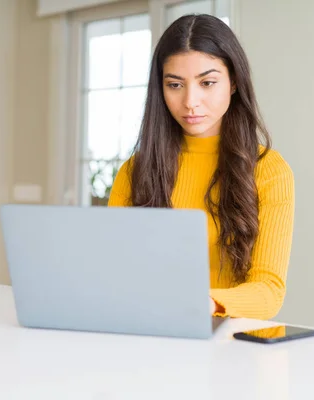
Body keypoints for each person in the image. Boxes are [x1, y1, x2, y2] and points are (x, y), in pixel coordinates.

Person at [107, 14, 295, 320]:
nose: (190, 101)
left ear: (234, 82)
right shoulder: (135, 170)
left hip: (226, 347)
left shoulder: (268, 170)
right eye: (175, 85)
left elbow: (268, 291)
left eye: (207, 82)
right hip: (144, 336)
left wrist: (198, 304)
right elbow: (114, 272)